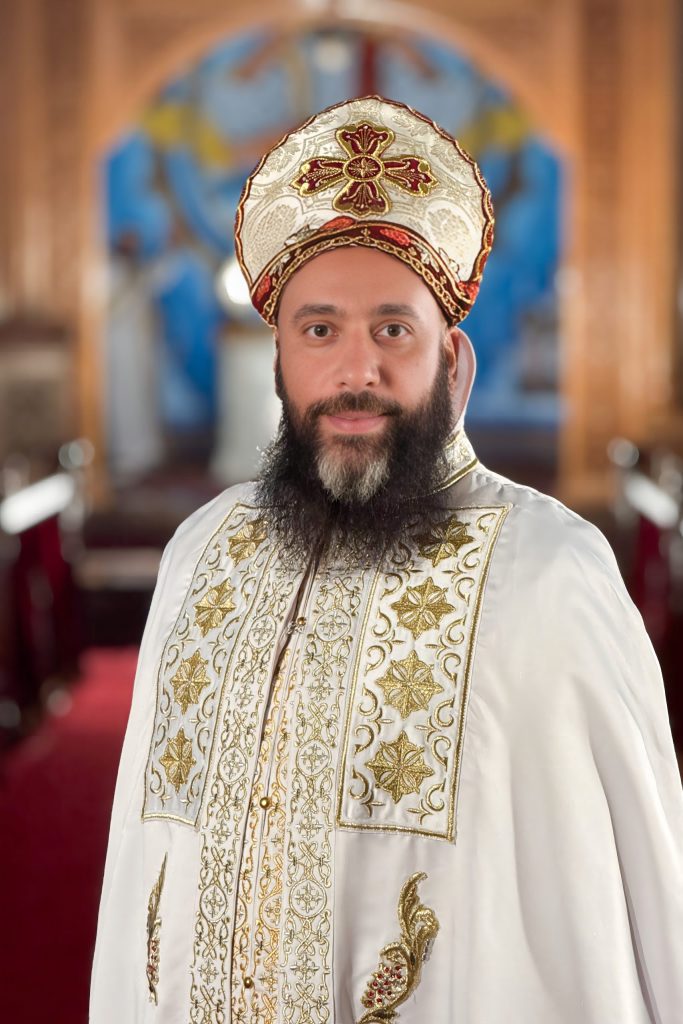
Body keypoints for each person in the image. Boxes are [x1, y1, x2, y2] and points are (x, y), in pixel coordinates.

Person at [90, 96, 683, 1024]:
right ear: (278, 359)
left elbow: (645, 892)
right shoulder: (201, 552)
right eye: (319, 330)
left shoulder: (548, 570)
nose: (354, 370)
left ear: (454, 359)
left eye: (392, 330)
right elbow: (140, 867)